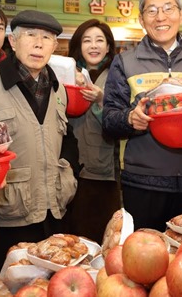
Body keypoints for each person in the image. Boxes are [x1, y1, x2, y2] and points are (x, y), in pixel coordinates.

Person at [0, 10, 77, 273]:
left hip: (53, 211)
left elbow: (67, 137)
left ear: (55, 46)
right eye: (30, 35)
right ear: (13, 41)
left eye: (47, 38)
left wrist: (67, 171)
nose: (38, 43)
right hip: (6, 214)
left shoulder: (59, 89)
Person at [102, 0, 182, 232]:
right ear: (141, 19)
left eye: (168, 8)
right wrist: (130, 119)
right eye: (152, 10)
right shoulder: (124, 62)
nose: (161, 17)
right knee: (146, 260)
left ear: (181, 14)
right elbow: (109, 119)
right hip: (144, 182)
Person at [64, 19, 121, 243]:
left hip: (103, 172)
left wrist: (100, 99)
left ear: (108, 46)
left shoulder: (117, 76)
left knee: (102, 236)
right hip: (70, 168)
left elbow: (121, 119)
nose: (94, 46)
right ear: (79, 45)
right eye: (87, 40)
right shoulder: (67, 73)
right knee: (72, 238)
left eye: (100, 40)